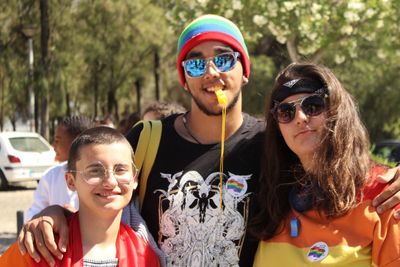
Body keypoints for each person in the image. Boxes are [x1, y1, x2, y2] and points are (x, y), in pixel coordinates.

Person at [17, 14, 400, 267]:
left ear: (244, 71)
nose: (212, 72)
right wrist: (54, 214)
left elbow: (338, 172)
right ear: (184, 78)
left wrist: (390, 181)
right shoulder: (147, 140)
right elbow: (99, 197)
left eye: (224, 57)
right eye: (196, 63)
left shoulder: (275, 141)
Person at [252, 63, 400, 266]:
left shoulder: (384, 197)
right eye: (286, 112)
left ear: (337, 111)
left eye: (312, 105)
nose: (300, 118)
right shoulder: (270, 202)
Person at [1, 126, 160, 266]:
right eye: (95, 171)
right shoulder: (39, 249)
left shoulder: (145, 257)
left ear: (134, 179)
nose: (110, 182)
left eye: (120, 170)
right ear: (71, 181)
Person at [25, 115, 95, 222]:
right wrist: (51, 217)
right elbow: (32, 216)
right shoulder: (51, 176)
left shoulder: (103, 178)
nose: (53, 146)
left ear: (76, 142)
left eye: (57, 140)